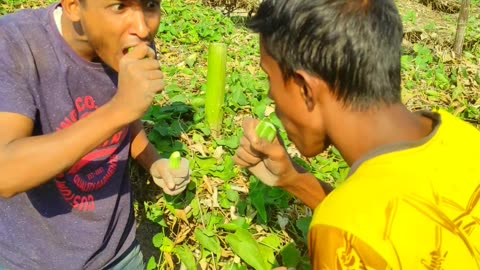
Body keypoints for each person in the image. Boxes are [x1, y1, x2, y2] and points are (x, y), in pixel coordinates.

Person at [234, 0, 480, 269]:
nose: (271, 96)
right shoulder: (464, 136)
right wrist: (295, 180)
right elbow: (393, 223)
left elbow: (357, 229)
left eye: (270, 79)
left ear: (305, 90)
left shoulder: (340, 232)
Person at [0, 0, 191, 269]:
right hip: (31, 259)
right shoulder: (14, 43)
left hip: (119, 254)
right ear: (74, 6)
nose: (142, 28)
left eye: (150, 4)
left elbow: (128, 118)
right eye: (119, 6)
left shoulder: (129, 41)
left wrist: (152, 161)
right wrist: (118, 109)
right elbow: (5, 171)